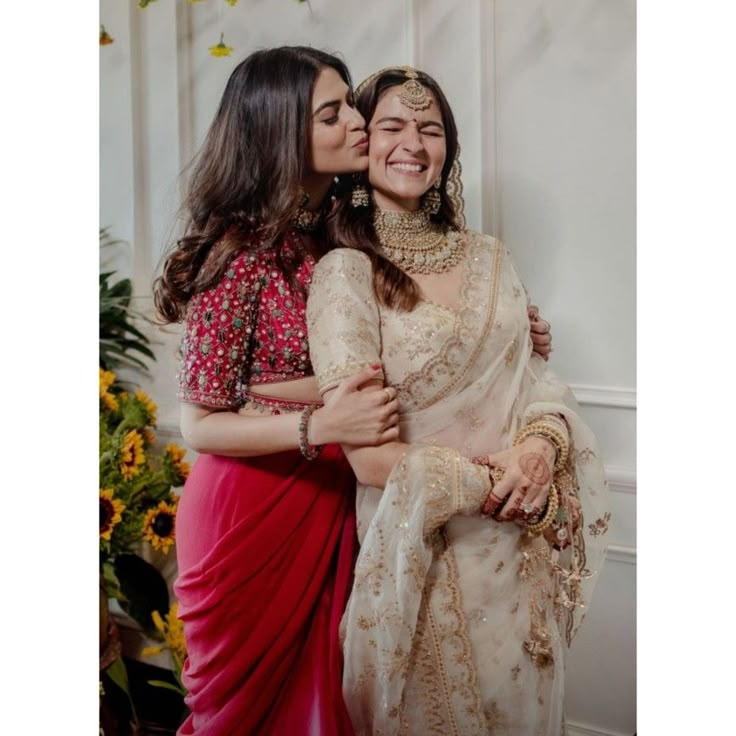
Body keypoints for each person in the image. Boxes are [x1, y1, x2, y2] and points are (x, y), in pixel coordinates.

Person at [153, 47, 552, 734]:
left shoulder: (334, 231)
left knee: (320, 708)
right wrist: (319, 424)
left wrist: (506, 340)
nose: (360, 125)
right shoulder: (238, 248)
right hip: (251, 503)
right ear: (280, 131)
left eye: (353, 107)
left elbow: (381, 349)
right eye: (333, 114)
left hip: (333, 496)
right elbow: (200, 422)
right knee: (243, 715)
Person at [306, 66, 610, 736]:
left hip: (518, 557)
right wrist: (503, 480)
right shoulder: (345, 272)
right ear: (363, 145)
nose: (412, 142)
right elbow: (371, 461)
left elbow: (536, 381)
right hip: (423, 557)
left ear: (448, 149)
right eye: (391, 125)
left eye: (430, 128)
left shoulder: (491, 257)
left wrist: (537, 449)